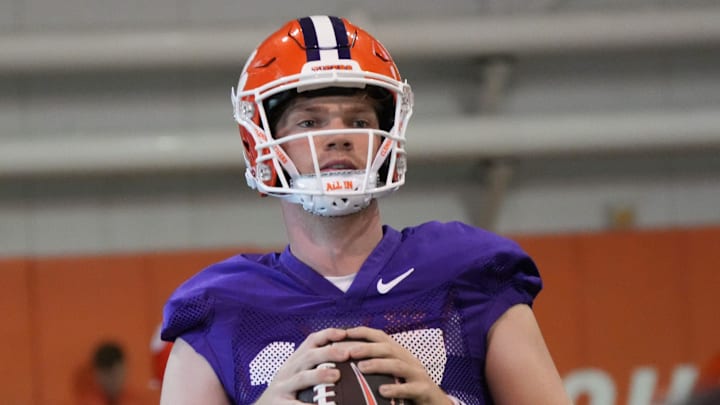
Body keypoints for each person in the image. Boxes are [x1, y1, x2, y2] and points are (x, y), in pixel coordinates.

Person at [159, 15, 570, 405]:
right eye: (309, 122)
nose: (339, 137)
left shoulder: (470, 272)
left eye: (358, 120)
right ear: (261, 143)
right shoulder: (217, 311)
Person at [75, 341, 145, 405]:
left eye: (115, 374)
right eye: (105, 374)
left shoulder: (140, 401)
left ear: (125, 370)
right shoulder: (85, 402)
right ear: (95, 374)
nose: (111, 380)